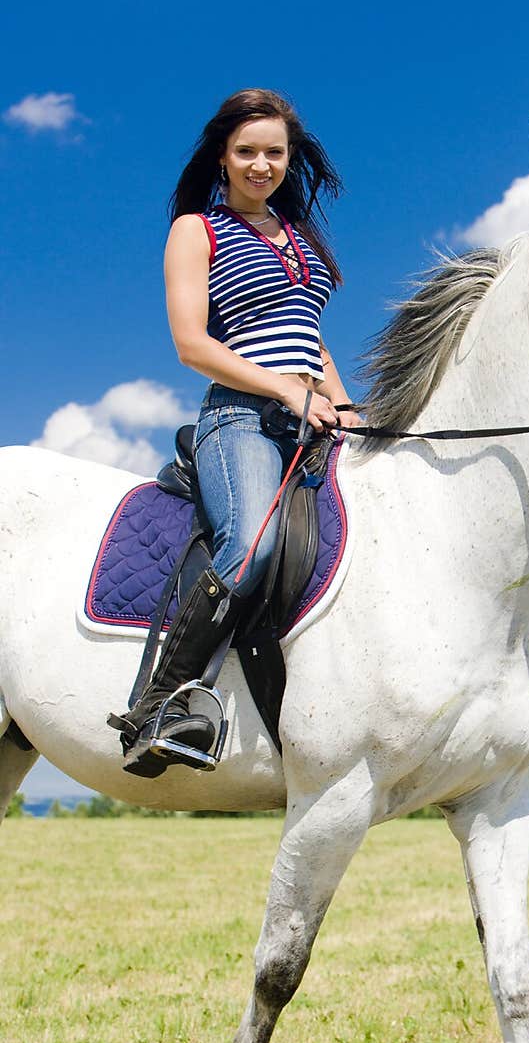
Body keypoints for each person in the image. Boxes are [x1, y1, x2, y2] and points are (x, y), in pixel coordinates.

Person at [110, 88, 359, 777]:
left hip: (311, 422)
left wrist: (344, 403)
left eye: (273, 152)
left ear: (290, 159)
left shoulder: (301, 238)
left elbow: (311, 339)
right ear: (222, 156)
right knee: (251, 545)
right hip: (240, 420)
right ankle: (161, 705)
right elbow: (191, 343)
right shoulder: (198, 229)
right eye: (246, 151)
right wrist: (284, 387)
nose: (261, 164)